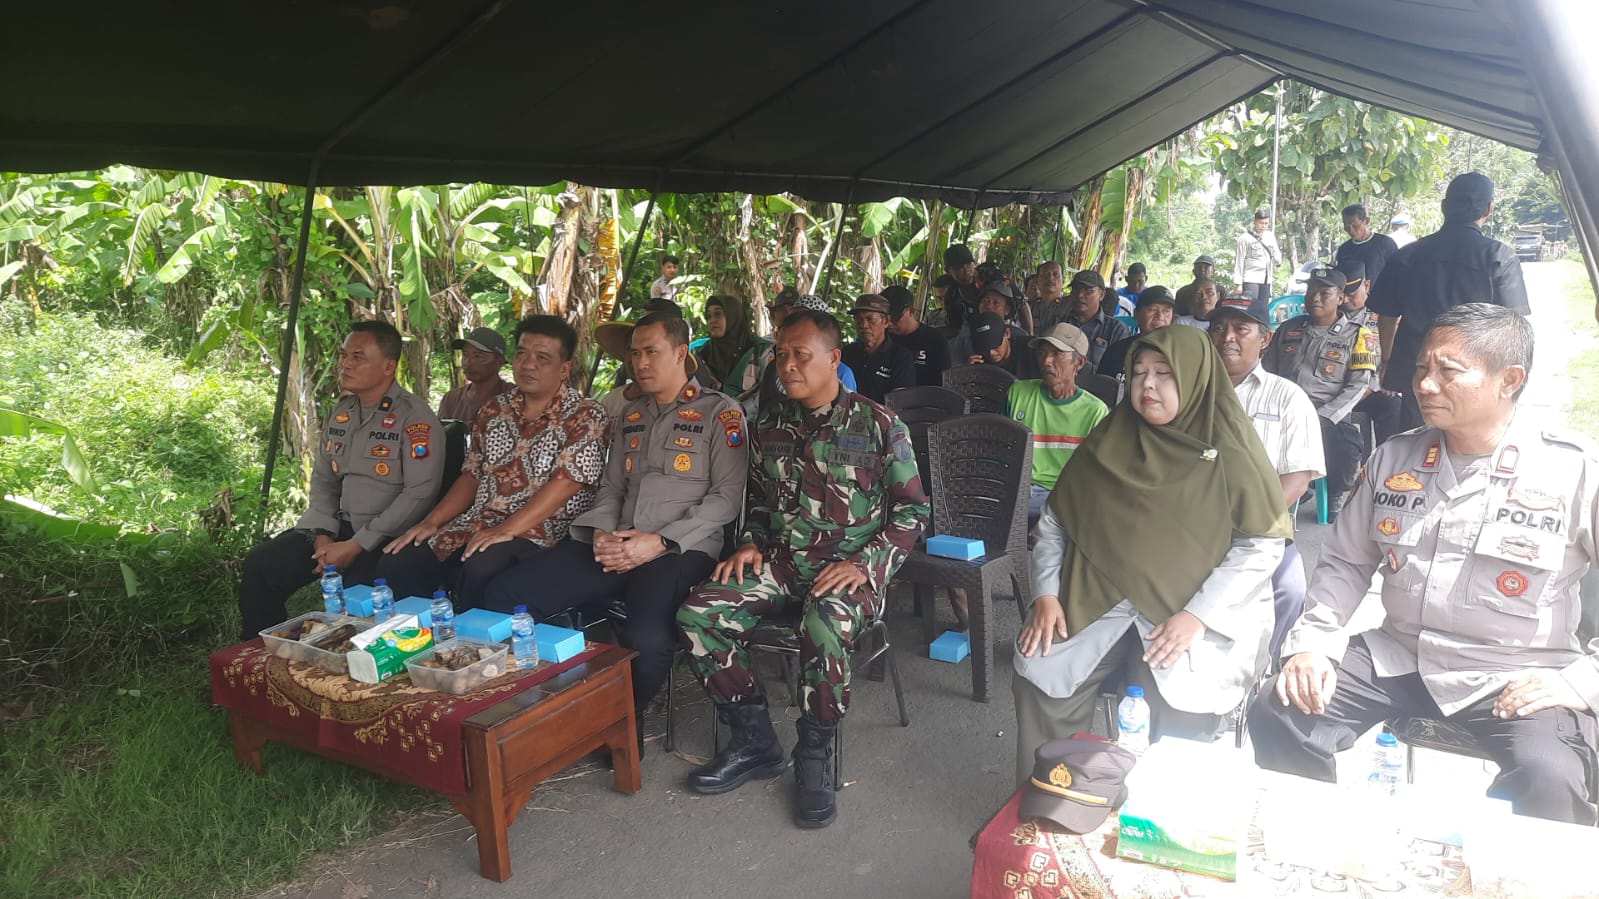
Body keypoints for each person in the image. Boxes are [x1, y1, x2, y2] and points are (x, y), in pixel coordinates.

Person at [1250, 305, 1599, 825]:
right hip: (1401, 656)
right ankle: (1317, 840)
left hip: (1517, 672)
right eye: (1420, 368)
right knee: (1280, 711)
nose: (1425, 384)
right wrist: (1313, 644)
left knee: (1550, 776)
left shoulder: (1573, 470)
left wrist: (1583, 680)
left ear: (1509, 380)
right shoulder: (1395, 458)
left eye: (1448, 370)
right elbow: (1344, 563)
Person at [677, 308, 928, 828]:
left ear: (834, 359)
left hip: (849, 571)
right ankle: (754, 739)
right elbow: (759, 501)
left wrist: (865, 563)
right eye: (781, 354)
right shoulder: (769, 424)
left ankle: (814, 752)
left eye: (800, 355)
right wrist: (749, 542)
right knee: (698, 614)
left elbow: (912, 513)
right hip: (783, 565)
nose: (786, 365)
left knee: (824, 623)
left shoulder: (879, 425)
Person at [1012, 325, 1290, 783]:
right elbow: (1057, 521)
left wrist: (1197, 616)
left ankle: (1157, 812)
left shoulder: (1231, 450)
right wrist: (1045, 595)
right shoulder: (1111, 438)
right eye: (1139, 372)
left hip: (1186, 608)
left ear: (1195, 376)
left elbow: (1261, 545)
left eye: (1164, 373)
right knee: (1039, 675)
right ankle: (1053, 800)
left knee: (1180, 703)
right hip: (1095, 597)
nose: (1148, 385)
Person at [493, 313, 746, 726]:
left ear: (680, 353)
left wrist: (659, 542)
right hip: (616, 545)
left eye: (651, 352)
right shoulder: (631, 416)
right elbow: (612, 488)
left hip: (680, 551)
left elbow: (726, 499)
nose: (640, 363)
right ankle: (536, 708)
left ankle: (622, 721)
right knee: (508, 593)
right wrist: (600, 534)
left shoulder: (720, 413)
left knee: (647, 639)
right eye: (635, 354)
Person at [376, 315, 609, 608]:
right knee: (401, 560)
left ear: (564, 369)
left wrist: (506, 529)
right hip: (481, 520)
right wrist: (431, 522)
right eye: (522, 354)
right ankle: (422, 632)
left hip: (545, 530)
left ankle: (470, 636)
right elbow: (472, 475)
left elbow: (566, 484)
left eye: (542, 358)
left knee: (481, 568)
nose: (528, 365)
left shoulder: (586, 415)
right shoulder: (494, 410)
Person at [237, 321, 443, 638]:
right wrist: (322, 535)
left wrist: (357, 545)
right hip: (337, 528)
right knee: (262, 565)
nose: (345, 364)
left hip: (386, 536)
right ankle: (264, 655)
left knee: (355, 603)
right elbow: (324, 480)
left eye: (357, 357)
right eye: (344, 355)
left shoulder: (414, 418)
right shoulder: (341, 413)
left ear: (388, 366)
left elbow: (419, 494)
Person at [1368, 172, 1530, 434]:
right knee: (1469, 442)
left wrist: (1387, 360)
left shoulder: (1407, 255)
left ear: (1444, 207)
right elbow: (1513, 327)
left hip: (1419, 371)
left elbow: (1386, 317)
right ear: (1488, 209)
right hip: (1476, 374)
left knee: (1418, 444)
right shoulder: (1498, 256)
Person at [1208, 295, 1326, 652]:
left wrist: (1241, 522)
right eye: (1219, 328)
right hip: (1189, 521)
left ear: (1265, 339)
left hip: (1258, 525)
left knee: (1290, 590)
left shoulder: (1287, 398)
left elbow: (1297, 480)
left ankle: (1262, 661)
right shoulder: (1188, 391)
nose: (1228, 337)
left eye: (1241, 329)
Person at [1262, 266, 1378, 522]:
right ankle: (1292, 485)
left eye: (1325, 293)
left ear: (1341, 298)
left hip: (1326, 415)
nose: (1315, 298)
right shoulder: (1288, 329)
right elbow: (1267, 371)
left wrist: (1324, 416)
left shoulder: (1359, 334)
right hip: (1282, 410)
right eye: (1311, 292)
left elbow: (1358, 385)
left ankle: (1335, 490)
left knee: (1345, 446)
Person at [1005, 323, 1110, 525]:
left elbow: (1097, 477)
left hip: (1064, 496)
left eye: (1057, 354)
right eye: (1042, 353)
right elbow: (998, 447)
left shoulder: (1095, 412)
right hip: (1017, 490)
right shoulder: (1018, 393)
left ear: (1079, 363)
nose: (1046, 361)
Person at [842, 293, 915, 402]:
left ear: (886, 321)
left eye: (870, 319)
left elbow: (900, 401)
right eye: (859, 319)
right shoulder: (848, 352)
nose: (863, 325)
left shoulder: (901, 357)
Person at [696, 294, 772, 400]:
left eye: (718, 314)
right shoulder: (702, 354)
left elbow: (768, 391)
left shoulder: (760, 350)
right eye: (709, 316)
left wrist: (740, 408)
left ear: (733, 316)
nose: (712, 320)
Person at [1056, 271, 1132, 370]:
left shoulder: (1116, 329)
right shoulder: (1060, 322)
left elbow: (1117, 370)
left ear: (1102, 295)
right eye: (1076, 289)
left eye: (1088, 290)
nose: (1080, 295)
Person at [1097, 286, 1176, 380]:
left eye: (1166, 311)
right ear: (1136, 314)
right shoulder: (1117, 351)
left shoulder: (1179, 354)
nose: (1160, 317)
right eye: (1153, 309)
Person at [438, 326, 513, 424]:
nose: (468, 362)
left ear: (499, 361)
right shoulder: (451, 399)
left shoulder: (514, 397)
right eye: (465, 355)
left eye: (477, 356)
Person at [883, 285, 950, 387]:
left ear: (911, 311)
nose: (889, 324)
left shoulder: (934, 339)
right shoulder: (882, 338)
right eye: (884, 319)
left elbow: (943, 381)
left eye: (895, 318)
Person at [949, 283, 1032, 360]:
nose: (989, 306)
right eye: (985, 301)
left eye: (996, 303)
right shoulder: (966, 335)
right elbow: (955, 364)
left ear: (1007, 309)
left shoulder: (1019, 335)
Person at [1335, 203, 1401, 286]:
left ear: (1366, 221)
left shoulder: (1385, 244)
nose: (1350, 230)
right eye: (1347, 226)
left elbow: (1396, 272)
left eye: (1355, 225)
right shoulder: (1344, 249)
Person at [963, 311, 1041, 380]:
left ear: (1007, 333)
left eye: (996, 346)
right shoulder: (977, 360)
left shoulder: (1032, 350)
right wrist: (968, 374)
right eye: (984, 348)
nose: (991, 353)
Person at [1234, 210, 1282, 317]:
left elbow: (1276, 252)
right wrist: (1238, 284)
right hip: (1250, 278)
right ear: (1255, 221)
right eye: (1261, 223)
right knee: (1250, 308)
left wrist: (1278, 259)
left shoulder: (1270, 236)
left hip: (1266, 279)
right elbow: (1239, 261)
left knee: (1263, 308)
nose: (1263, 226)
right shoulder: (1244, 239)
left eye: (1266, 223)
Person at [939, 243, 982, 334]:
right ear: (949, 271)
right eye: (959, 268)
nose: (966, 270)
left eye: (969, 264)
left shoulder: (988, 280)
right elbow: (955, 327)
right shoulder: (951, 296)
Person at [1029, 261, 1070, 331]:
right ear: (1037, 281)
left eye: (1056, 275)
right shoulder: (1029, 307)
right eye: (1046, 275)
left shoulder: (1070, 306)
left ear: (1063, 280)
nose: (1051, 278)